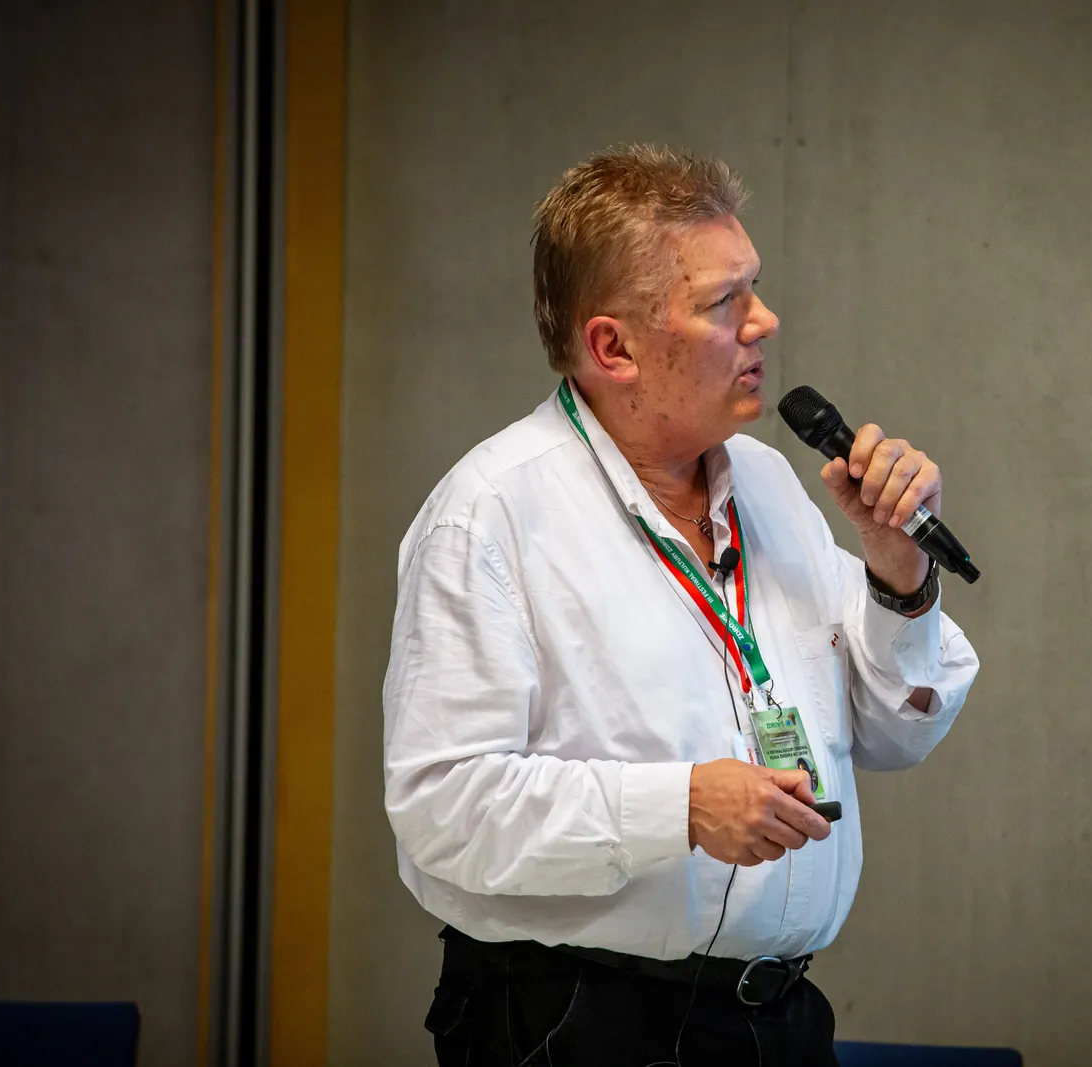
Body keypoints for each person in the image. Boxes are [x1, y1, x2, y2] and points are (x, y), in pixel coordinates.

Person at [383, 144, 980, 1067]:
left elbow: (897, 733)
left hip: (775, 1021)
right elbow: (444, 807)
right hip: (576, 1022)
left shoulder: (768, 484)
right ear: (612, 347)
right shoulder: (492, 513)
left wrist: (898, 573)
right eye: (723, 302)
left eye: (755, 288)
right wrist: (681, 807)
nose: (765, 321)